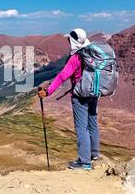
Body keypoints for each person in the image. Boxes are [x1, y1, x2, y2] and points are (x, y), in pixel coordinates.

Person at [38, 28, 99, 171]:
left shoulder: (75, 58)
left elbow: (62, 76)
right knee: (92, 122)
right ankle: (94, 155)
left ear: (73, 41)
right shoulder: (92, 54)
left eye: (69, 40)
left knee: (81, 127)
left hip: (80, 96)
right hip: (94, 93)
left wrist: (47, 92)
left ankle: (84, 162)